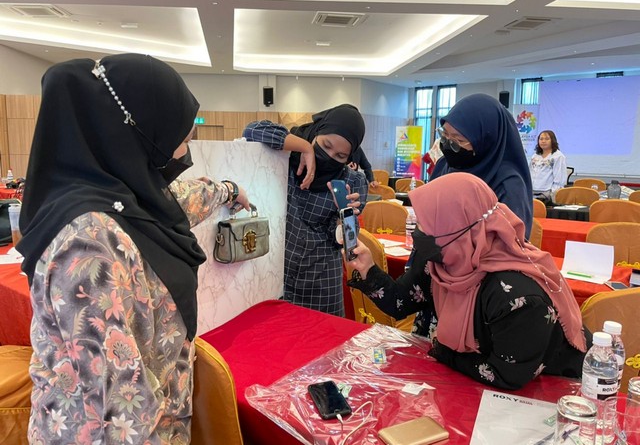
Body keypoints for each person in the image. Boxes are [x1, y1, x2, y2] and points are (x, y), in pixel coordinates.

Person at [16, 53, 250, 443]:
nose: (184, 155)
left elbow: (180, 199)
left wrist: (229, 190)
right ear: (138, 134)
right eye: (181, 142)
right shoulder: (88, 244)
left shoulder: (125, 198)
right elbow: (121, 412)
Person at [346, 173, 590, 390]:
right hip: (474, 380)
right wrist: (368, 268)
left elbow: (507, 376)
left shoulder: (515, 295)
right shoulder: (442, 258)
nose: (416, 230)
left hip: (550, 391)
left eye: (425, 223)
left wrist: (443, 351)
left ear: (456, 228)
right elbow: (400, 302)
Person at [243, 104, 367, 316]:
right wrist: (305, 147)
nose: (328, 156)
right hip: (277, 276)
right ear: (316, 131)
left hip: (321, 283)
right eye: (325, 145)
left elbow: (347, 243)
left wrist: (343, 215)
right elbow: (252, 130)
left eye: (340, 156)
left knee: (324, 336)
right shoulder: (287, 159)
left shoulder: (352, 182)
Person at [430, 93, 533, 238]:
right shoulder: (444, 166)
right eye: (444, 134)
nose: (448, 144)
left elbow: (509, 243)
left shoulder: (508, 185)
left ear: (486, 141)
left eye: (458, 140)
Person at [529, 129, 567, 203]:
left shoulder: (558, 156)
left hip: (547, 194)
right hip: (531, 192)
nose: (543, 141)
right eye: (541, 139)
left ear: (552, 141)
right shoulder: (535, 156)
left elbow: (559, 179)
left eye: (547, 139)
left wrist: (552, 195)